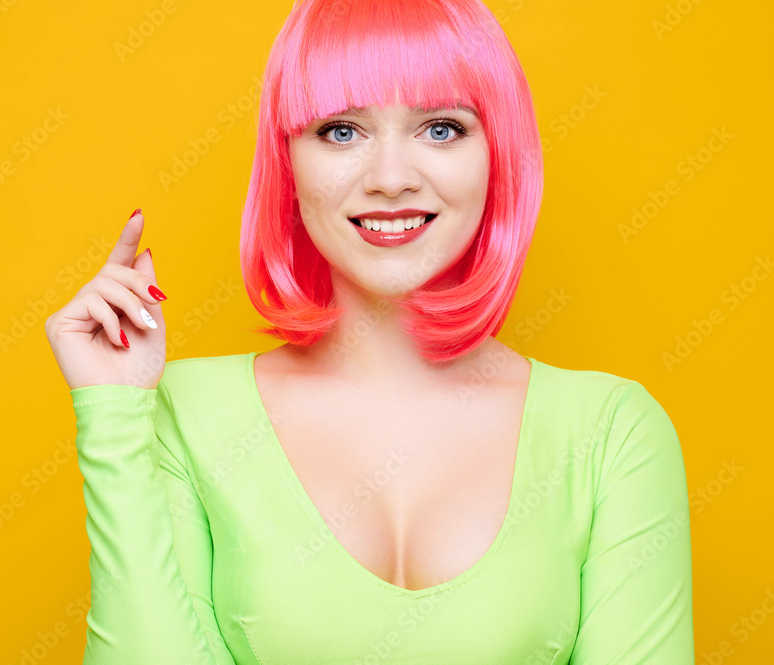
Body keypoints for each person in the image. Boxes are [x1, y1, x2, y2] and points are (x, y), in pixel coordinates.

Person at [44, 0, 694, 662]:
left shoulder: (611, 433)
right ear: (287, 161)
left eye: (441, 128)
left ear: (498, 154)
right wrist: (111, 411)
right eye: (340, 131)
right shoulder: (186, 412)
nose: (390, 179)